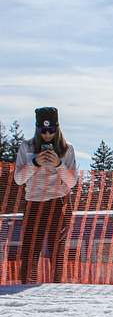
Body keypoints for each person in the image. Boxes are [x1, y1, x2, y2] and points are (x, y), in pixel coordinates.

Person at [14, 107, 77, 283]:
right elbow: (18, 179)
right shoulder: (26, 147)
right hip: (34, 203)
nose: (47, 134)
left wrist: (58, 165)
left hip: (59, 202)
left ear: (57, 129)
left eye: (51, 130)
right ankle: (25, 287)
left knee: (57, 249)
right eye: (43, 130)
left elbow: (72, 181)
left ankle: (57, 286)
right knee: (30, 249)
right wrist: (34, 163)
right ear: (37, 129)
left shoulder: (67, 149)